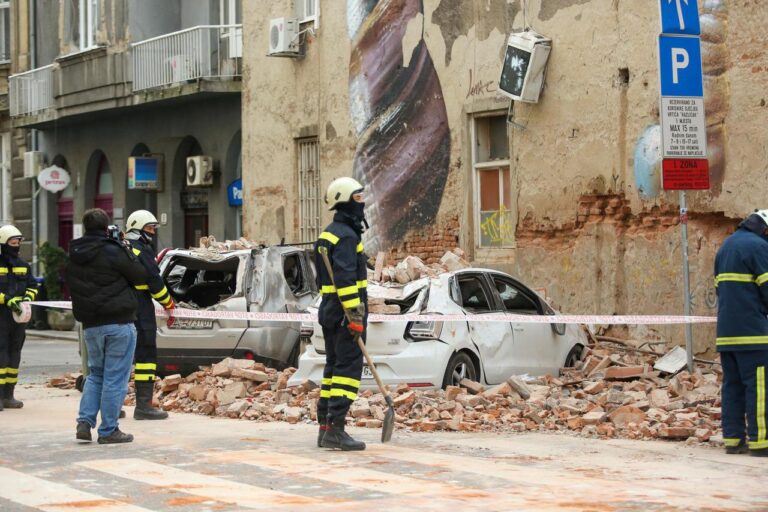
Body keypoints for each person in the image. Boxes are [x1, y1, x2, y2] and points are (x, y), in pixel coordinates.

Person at [66, 208, 148, 444]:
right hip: (119, 322)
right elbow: (139, 275)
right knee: (115, 378)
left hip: (90, 325)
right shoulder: (114, 251)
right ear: (106, 228)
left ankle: (85, 422)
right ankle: (109, 430)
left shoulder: (75, 252)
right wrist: (125, 247)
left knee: (95, 375)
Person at [315, 177, 369, 451]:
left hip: (330, 312)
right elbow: (347, 283)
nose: (363, 203)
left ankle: (324, 426)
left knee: (332, 369)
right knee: (347, 371)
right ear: (346, 201)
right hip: (346, 315)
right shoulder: (347, 236)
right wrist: (356, 319)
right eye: (358, 198)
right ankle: (336, 429)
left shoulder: (328, 233)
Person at [714, 209, 768, 457]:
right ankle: (761, 443)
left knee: (732, 387)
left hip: (727, 334)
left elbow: (720, 290)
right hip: (754, 335)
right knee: (758, 388)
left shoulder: (726, 246)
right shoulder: (758, 247)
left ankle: (733, 440)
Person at [125, 210, 175, 420]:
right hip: (141, 306)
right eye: (149, 228)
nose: (153, 233)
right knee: (146, 354)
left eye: (154, 228)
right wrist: (169, 304)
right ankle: (143, 406)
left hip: (124, 305)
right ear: (137, 229)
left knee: (122, 357)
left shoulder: (123, 248)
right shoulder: (142, 251)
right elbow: (155, 282)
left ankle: (113, 405)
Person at [0, 225, 38, 411]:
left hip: (18, 318)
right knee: (1, 355)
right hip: (1, 317)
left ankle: (9, 395)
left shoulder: (23, 265)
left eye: (18, 243)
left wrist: (28, 297)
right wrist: (6, 300)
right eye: (12, 243)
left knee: (15, 354)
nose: (16, 246)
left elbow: (32, 285)